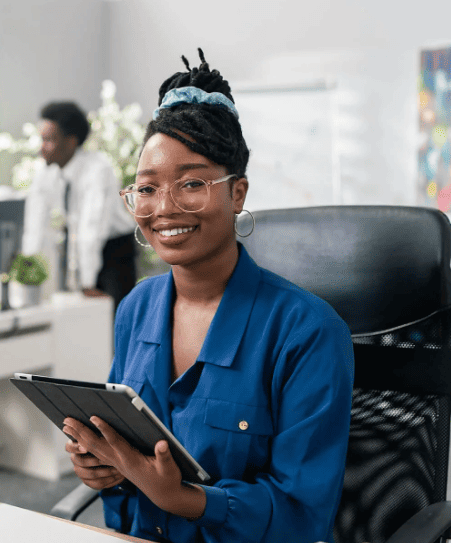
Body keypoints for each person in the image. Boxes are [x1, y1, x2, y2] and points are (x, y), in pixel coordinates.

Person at [61, 50, 355, 543]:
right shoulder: (136, 308)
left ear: (237, 194)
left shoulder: (309, 333)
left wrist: (184, 500)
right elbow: (125, 446)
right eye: (147, 189)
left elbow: (304, 517)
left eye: (192, 183)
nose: (164, 208)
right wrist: (104, 464)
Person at [22, 101, 137, 311]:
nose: (41, 148)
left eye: (48, 140)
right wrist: (27, 273)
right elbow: (34, 225)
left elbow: (91, 227)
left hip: (114, 251)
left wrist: (87, 283)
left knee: (116, 323)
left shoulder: (97, 169)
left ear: (71, 141)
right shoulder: (46, 173)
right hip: (80, 245)